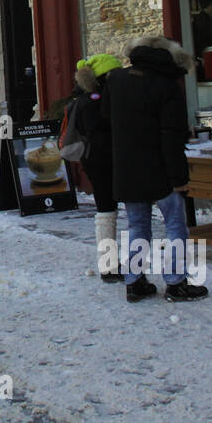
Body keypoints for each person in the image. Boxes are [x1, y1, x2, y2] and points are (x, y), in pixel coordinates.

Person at [107, 36, 208, 303]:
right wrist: (180, 178)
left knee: (137, 225)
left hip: (127, 166)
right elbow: (171, 136)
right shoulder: (166, 86)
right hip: (161, 168)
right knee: (175, 225)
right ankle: (176, 284)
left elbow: (108, 121)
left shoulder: (116, 80)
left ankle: (134, 281)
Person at [70, 53, 123, 282]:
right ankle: (109, 265)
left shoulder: (83, 99)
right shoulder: (94, 102)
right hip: (103, 161)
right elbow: (101, 135)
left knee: (106, 210)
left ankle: (109, 264)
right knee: (107, 211)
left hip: (95, 160)